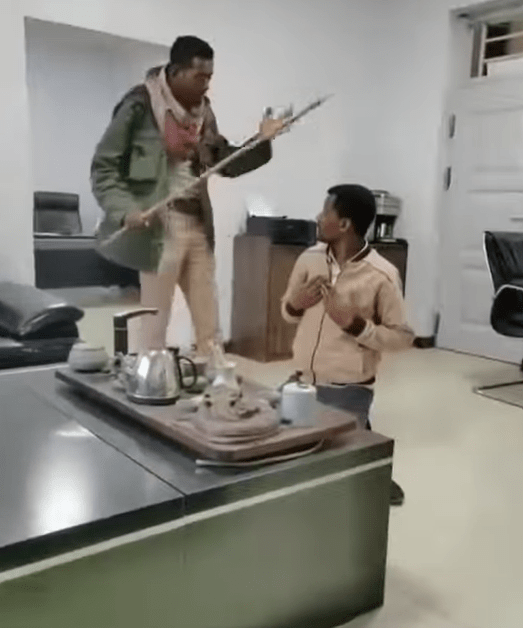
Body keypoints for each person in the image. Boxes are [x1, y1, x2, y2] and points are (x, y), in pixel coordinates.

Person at [91, 36, 284, 355]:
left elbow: (226, 162)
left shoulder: (203, 111)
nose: (206, 85)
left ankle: (216, 379)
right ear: (176, 71)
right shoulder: (139, 105)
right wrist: (125, 210)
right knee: (154, 326)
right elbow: (104, 168)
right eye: (199, 77)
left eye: (209, 77)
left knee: (210, 327)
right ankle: (151, 377)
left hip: (197, 224)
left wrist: (262, 140)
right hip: (158, 227)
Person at [281, 184, 414, 505]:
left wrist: (355, 325)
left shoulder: (382, 275)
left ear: (344, 224)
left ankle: (369, 465)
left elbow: (402, 337)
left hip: (349, 387)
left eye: (325, 212)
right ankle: (363, 447)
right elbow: (287, 311)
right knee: (267, 450)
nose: (317, 217)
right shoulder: (309, 259)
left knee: (331, 483)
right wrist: (296, 304)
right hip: (301, 382)